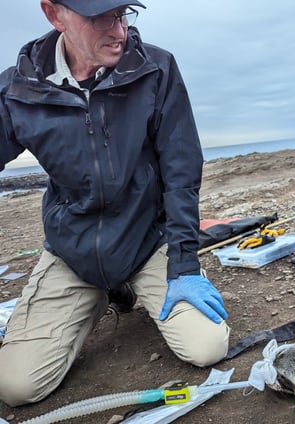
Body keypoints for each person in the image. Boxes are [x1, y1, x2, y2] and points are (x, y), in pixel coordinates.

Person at [0, 0, 229, 407]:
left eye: (123, 13)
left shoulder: (155, 70)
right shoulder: (19, 88)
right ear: (55, 14)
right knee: (16, 387)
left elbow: (181, 172)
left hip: (147, 241)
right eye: (99, 17)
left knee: (207, 347)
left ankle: (129, 283)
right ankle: (100, 294)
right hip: (72, 251)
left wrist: (185, 265)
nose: (119, 30)